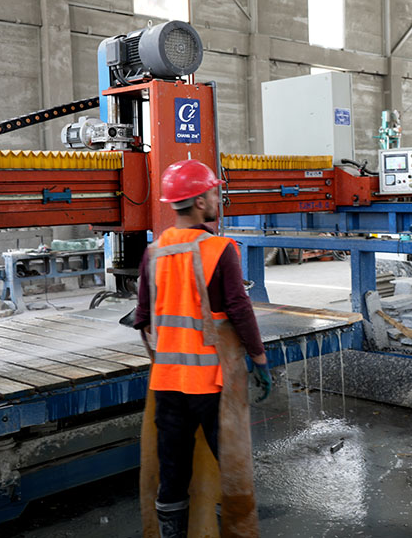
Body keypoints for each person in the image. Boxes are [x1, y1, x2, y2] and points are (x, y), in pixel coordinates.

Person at [132, 159, 272, 538]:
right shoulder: (219, 249)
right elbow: (240, 311)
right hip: (212, 384)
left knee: (173, 470)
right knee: (231, 466)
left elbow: (142, 317)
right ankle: (236, 531)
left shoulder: (153, 253)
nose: (217, 199)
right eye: (212, 192)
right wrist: (259, 359)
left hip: (166, 383)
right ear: (197, 201)